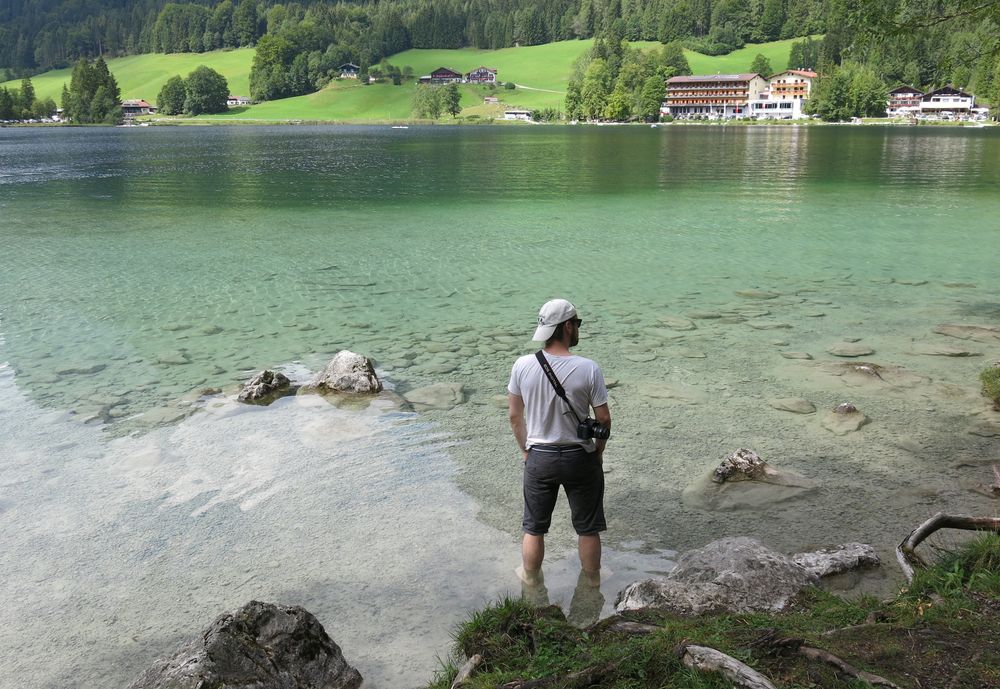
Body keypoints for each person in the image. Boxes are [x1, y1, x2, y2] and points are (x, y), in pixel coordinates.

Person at [507, 298, 612, 586]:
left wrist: (527, 451)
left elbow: (515, 417)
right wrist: (597, 454)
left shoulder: (522, 365)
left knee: (534, 528)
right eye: (577, 324)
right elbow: (603, 420)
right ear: (567, 326)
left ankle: (530, 581)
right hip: (580, 457)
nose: (578, 329)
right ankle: (592, 583)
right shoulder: (589, 368)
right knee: (588, 529)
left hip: (540, 457)